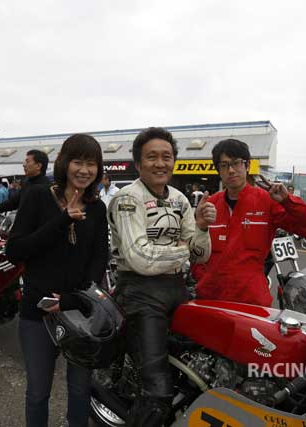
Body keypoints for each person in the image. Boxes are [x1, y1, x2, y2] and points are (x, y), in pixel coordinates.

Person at [108, 127, 213, 426]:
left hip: (177, 288)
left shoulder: (180, 199)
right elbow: (140, 258)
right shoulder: (128, 198)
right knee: (157, 391)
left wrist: (202, 228)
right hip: (139, 292)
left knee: (196, 371)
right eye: (151, 157)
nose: (160, 163)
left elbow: (201, 255)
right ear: (138, 163)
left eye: (166, 157)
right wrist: (184, 250)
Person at [6, 134, 108, 427]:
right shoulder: (38, 197)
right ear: (64, 163)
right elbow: (15, 251)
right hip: (37, 312)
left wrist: (73, 300)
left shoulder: (97, 208)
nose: (84, 170)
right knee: (38, 392)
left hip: (79, 312)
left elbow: (98, 261)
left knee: (79, 390)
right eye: (78, 162)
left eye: (91, 164)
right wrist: (62, 220)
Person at [192, 139, 306, 307]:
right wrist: (203, 276)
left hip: (251, 299)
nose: (231, 170)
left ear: (247, 165)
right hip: (210, 298)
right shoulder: (209, 204)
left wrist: (287, 201)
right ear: (218, 170)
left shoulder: (268, 200)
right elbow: (194, 251)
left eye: (236, 163)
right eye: (224, 165)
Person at [0, 150, 49, 219]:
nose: (23, 164)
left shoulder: (46, 188)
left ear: (38, 166)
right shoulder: (27, 183)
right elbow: (13, 202)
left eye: (27, 161)